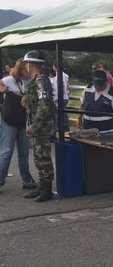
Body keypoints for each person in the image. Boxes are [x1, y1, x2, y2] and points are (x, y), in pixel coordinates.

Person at [21, 50, 56, 202]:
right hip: (38, 121)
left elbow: (44, 106)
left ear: (31, 64)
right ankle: (42, 186)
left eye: (27, 64)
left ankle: (47, 189)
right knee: (38, 155)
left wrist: (34, 125)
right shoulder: (36, 80)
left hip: (41, 124)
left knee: (43, 156)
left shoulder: (41, 80)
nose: (26, 67)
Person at [0, 58, 37, 191]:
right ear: (22, 69)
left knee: (23, 153)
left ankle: (27, 180)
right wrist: (6, 92)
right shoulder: (10, 79)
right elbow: (1, 84)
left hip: (22, 120)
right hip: (10, 121)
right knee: (6, 151)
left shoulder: (28, 82)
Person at [79, 70, 113, 135]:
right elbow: (82, 105)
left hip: (105, 132)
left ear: (106, 82)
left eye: (100, 85)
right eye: (96, 85)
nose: (98, 88)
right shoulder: (87, 88)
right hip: (87, 130)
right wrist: (79, 118)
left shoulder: (112, 94)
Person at [50, 63, 70, 139]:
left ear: (55, 66)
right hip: (62, 97)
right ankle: (64, 130)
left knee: (57, 116)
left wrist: (60, 95)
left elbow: (62, 86)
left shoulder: (60, 76)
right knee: (62, 115)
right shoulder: (64, 75)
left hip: (59, 98)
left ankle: (58, 132)